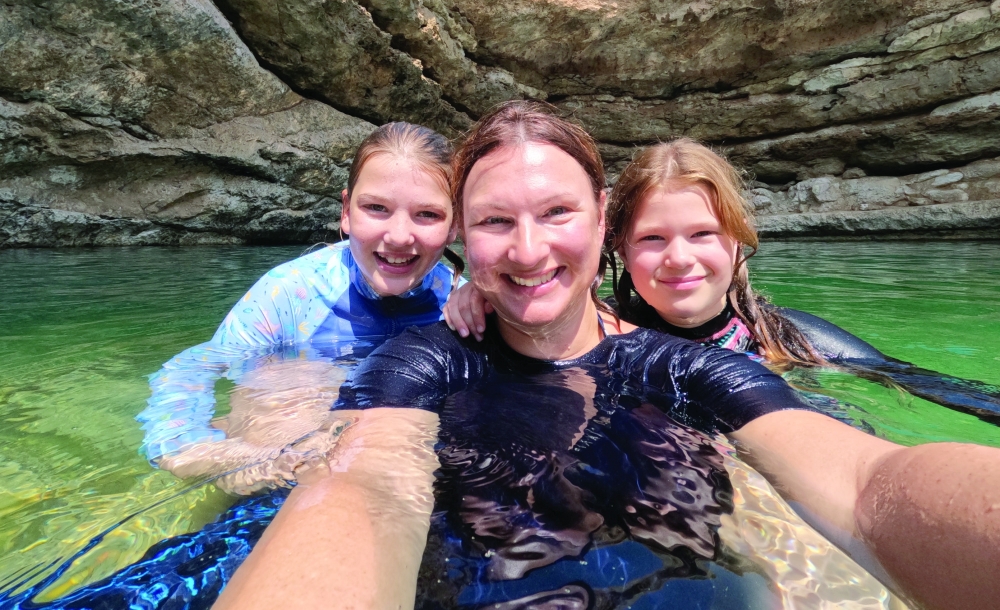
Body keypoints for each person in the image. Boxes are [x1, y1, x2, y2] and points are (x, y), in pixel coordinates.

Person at [214, 102, 1000, 610]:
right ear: (461, 239)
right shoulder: (421, 364)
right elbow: (363, 490)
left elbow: (867, 482)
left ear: (599, 222)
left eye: (557, 213)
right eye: (494, 223)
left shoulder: (689, 365)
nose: (528, 250)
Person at [446, 138, 1000, 426]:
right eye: (652, 239)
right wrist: (482, 291)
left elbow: (936, 388)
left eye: (703, 234)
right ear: (618, 249)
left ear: (737, 240)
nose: (679, 259)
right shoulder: (599, 334)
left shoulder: (790, 340)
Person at [138, 121, 463, 490]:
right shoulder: (291, 293)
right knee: (296, 379)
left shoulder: (464, 301)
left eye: (428, 215)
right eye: (376, 208)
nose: (399, 236)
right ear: (346, 210)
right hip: (287, 461)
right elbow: (195, 366)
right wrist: (186, 445)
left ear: (454, 226)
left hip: (405, 461)